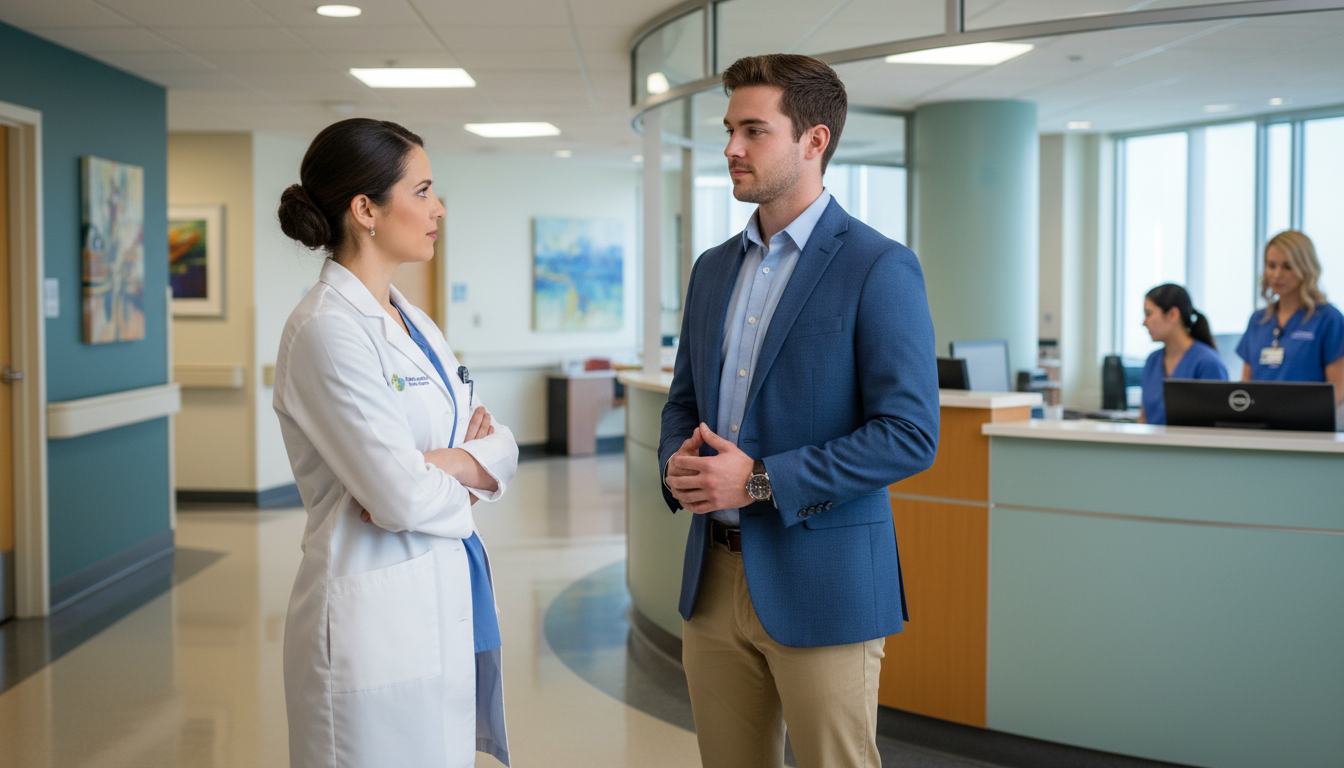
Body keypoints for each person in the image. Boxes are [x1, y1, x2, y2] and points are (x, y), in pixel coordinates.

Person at [658, 54, 939, 768]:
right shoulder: (712, 268)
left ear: (814, 141)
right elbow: (684, 401)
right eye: (729, 130)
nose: (731, 147)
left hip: (824, 582)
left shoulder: (878, 266)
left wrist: (759, 480)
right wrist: (676, 465)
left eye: (754, 130)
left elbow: (909, 434)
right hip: (712, 583)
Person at [273, 118, 517, 768]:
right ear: (366, 210)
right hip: (372, 626)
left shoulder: (413, 322)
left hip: (435, 604)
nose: (439, 209)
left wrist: (442, 465)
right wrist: (463, 473)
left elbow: (502, 445)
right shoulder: (326, 330)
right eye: (423, 191)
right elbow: (400, 498)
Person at [1235, 230, 1344, 407]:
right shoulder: (1258, 320)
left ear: (1305, 268)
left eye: (1287, 267)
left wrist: (1310, 416)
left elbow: (1338, 389)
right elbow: (1245, 383)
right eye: (1271, 266)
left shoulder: (1328, 319)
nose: (1277, 275)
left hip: (1306, 421)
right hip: (1260, 419)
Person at [1137, 284, 1227, 425]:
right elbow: (1143, 418)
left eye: (1149, 314)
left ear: (1173, 314)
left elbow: (1219, 423)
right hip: (1154, 439)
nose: (1144, 323)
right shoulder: (1152, 361)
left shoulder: (1207, 362)